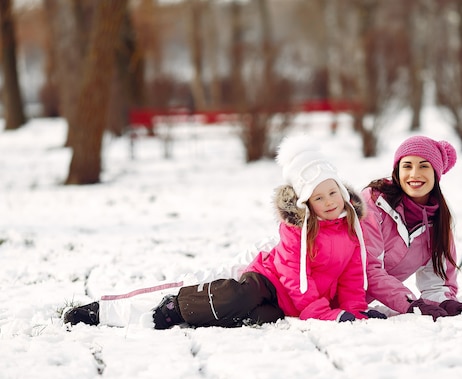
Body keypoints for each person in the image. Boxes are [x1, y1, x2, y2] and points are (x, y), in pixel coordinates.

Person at [64, 138, 385, 329]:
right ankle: (172, 308)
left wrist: (355, 311)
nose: (329, 202)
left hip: (293, 306)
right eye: (318, 197)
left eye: (332, 193)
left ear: (342, 190)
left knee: (254, 318)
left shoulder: (350, 229)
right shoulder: (296, 231)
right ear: (306, 203)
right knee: (236, 296)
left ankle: (203, 315)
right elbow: (294, 279)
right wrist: (323, 314)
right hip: (270, 282)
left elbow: (352, 277)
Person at [361, 135, 462, 321]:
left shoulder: (437, 221)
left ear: (436, 173)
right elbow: (368, 267)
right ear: (397, 171)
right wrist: (409, 303)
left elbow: (436, 279)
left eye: (424, 166)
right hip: (323, 292)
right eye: (407, 166)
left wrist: (444, 302)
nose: (414, 174)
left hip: (353, 302)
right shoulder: (374, 203)